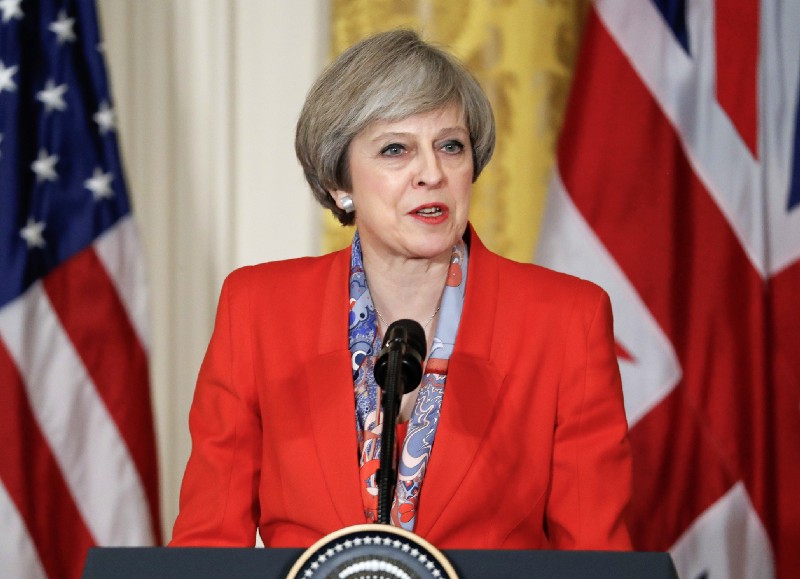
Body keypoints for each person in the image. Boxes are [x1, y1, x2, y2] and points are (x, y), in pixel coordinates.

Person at [170, 29, 632, 550]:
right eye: (396, 150)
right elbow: (208, 546)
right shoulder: (257, 310)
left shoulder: (566, 320)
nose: (431, 174)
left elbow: (596, 557)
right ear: (339, 184)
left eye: (450, 146)